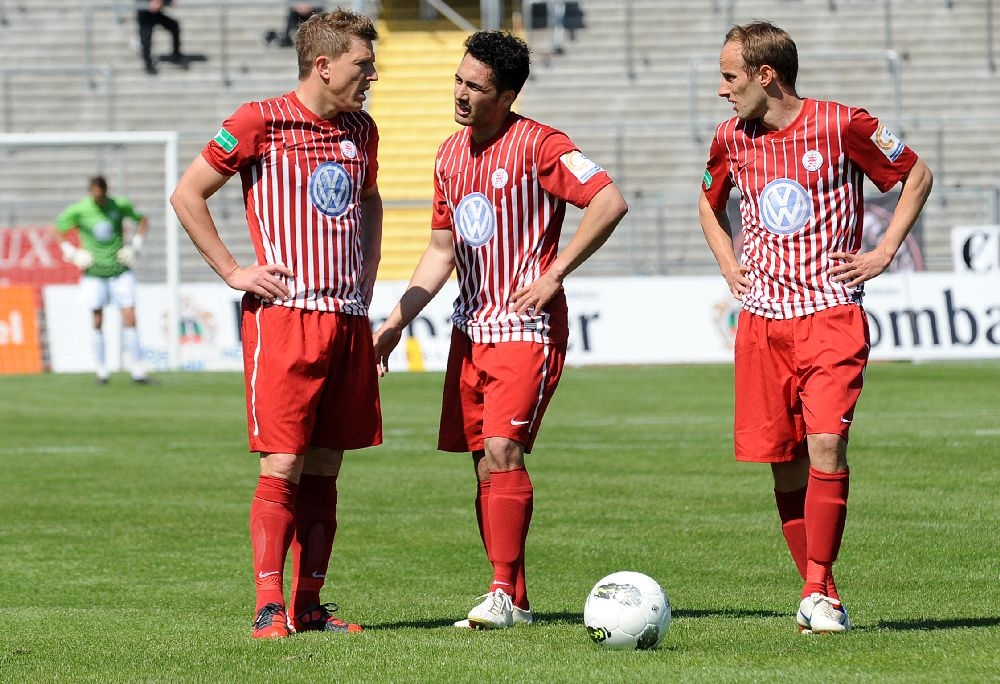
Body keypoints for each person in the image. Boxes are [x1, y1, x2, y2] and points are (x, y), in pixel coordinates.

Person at [372, 30, 628, 630]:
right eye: (458, 80)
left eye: (475, 87)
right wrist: (394, 323)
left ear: (507, 94)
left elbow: (609, 201)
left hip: (525, 326)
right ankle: (512, 596)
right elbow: (441, 252)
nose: (460, 94)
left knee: (502, 450)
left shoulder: (542, 145)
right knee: (484, 465)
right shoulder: (447, 155)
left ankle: (500, 593)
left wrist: (555, 273)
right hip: (470, 330)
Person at [698, 21, 933, 634]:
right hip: (762, 325)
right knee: (785, 463)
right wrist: (729, 263)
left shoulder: (842, 124)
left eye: (729, 77)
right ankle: (820, 592)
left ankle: (817, 590)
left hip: (830, 314)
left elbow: (916, 174)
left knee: (827, 442)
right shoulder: (731, 137)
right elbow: (708, 201)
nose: (722, 90)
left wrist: (881, 253)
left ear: (764, 75)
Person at [169, 9, 382, 640]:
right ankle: (269, 605)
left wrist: (368, 270)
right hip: (284, 320)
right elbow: (188, 193)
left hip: (346, 319)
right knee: (282, 465)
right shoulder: (258, 120)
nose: (372, 74)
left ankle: (310, 604)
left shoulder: (362, 130)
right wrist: (234, 270)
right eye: (362, 64)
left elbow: (369, 199)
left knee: (325, 467)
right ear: (324, 64)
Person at [54, 175, 151, 385]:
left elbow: (142, 220)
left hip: (120, 269)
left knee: (130, 316)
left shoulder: (118, 205)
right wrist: (71, 252)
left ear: (106, 192)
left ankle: (138, 370)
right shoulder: (80, 210)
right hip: (94, 272)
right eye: (96, 195)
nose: (100, 199)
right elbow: (57, 228)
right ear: (91, 192)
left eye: (102, 195)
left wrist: (135, 245)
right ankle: (102, 371)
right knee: (97, 319)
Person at [136, 0, 185, 75]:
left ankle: (176, 54)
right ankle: (148, 64)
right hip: (144, 16)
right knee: (146, 40)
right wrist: (149, 3)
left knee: (174, 26)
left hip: (156, 14)